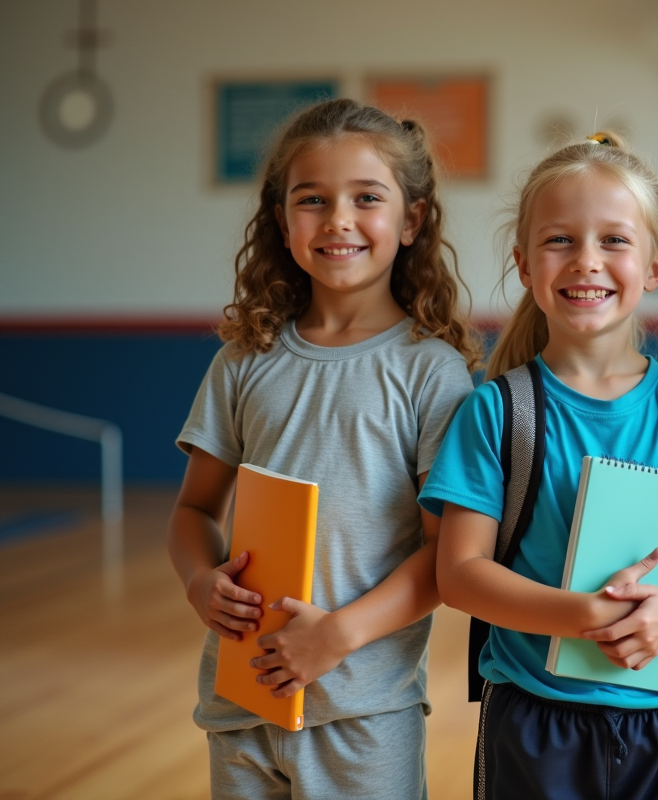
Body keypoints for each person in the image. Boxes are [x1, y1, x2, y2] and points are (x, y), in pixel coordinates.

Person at [420, 132, 658, 800]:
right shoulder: (497, 412)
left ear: (657, 266)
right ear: (523, 263)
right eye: (559, 241)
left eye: (614, 241)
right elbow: (459, 575)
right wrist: (579, 615)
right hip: (535, 725)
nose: (586, 262)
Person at [167, 98, 479, 800]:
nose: (337, 220)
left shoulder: (432, 372)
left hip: (364, 714)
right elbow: (192, 511)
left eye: (366, 198)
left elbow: (445, 558)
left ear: (412, 219)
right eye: (313, 200)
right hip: (242, 704)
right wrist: (197, 580)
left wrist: (335, 635)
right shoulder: (244, 360)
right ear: (283, 222)